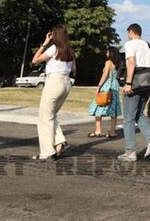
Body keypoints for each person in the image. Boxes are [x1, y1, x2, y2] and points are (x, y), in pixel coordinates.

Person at [31, 24, 76, 160]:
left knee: (44, 118)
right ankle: (61, 142)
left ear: (54, 35)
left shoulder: (53, 48)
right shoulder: (70, 51)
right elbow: (74, 69)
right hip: (66, 83)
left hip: (54, 82)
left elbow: (35, 60)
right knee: (51, 115)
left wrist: (45, 43)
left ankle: (47, 152)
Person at [118, 23, 150, 162]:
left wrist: (128, 83)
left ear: (131, 32)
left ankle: (130, 152)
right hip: (148, 83)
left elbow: (131, 63)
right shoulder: (149, 46)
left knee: (128, 118)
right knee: (139, 113)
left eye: (128, 33)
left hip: (135, 84)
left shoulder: (130, 44)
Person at [87, 47, 122, 138]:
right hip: (114, 86)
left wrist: (99, 86)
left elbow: (105, 75)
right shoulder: (117, 63)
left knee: (99, 106)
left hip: (107, 85)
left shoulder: (108, 62)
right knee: (113, 109)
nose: (106, 53)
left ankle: (98, 130)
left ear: (111, 53)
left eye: (107, 52)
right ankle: (112, 132)